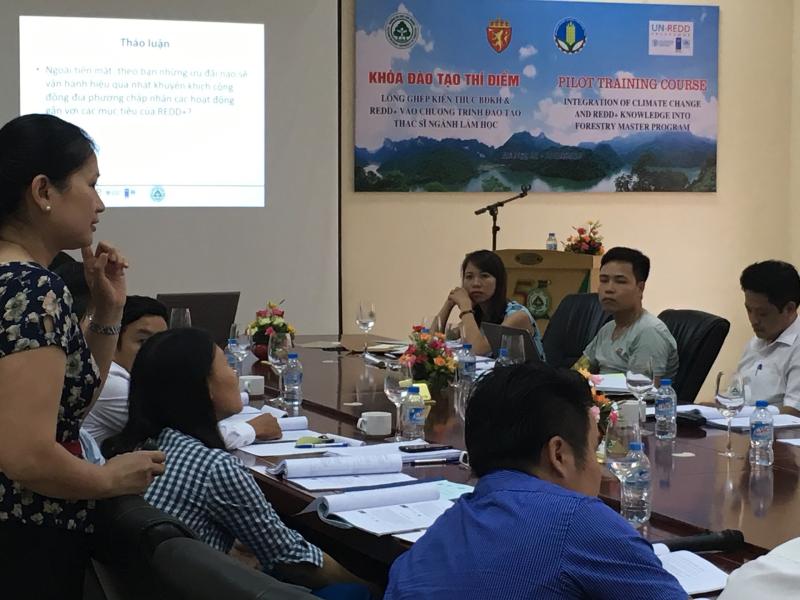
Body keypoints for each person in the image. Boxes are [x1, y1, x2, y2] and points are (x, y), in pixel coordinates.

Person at [0, 114, 165, 598]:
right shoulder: (33, 288)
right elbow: (27, 455)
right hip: (22, 543)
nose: (100, 204)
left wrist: (108, 310)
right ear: (43, 191)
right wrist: (107, 478)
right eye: (90, 185)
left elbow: (64, 410)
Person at [103, 328, 372, 596]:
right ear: (205, 386)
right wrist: (378, 586)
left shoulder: (129, 448)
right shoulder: (213, 467)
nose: (235, 377)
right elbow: (294, 559)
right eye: (228, 368)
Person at [384, 363, 687, 599]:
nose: (600, 470)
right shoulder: (578, 519)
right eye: (595, 448)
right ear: (559, 454)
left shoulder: (445, 530)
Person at [83, 294, 282, 447]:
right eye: (143, 341)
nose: (154, 350)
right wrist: (252, 429)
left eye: (160, 341)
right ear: (114, 340)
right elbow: (184, 438)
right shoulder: (112, 383)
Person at [575, 246, 678, 380]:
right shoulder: (608, 329)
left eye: (620, 281)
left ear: (640, 288)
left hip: (627, 400)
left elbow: (642, 391)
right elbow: (578, 371)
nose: (609, 289)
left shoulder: (649, 332)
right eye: (604, 280)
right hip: (597, 398)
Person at [433, 249, 545, 358]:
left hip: (528, 376)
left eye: (484, 276)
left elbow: (477, 350)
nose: (476, 283)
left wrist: (465, 307)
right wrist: (449, 303)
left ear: (499, 281)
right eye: (469, 277)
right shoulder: (478, 316)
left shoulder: (518, 316)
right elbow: (431, 342)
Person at [737, 260, 800, 415]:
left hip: (777, 435)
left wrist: (739, 412)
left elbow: (793, 413)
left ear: (789, 309)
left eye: (762, 313)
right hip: (744, 430)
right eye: (748, 310)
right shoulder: (755, 342)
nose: (753, 320)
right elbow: (735, 396)